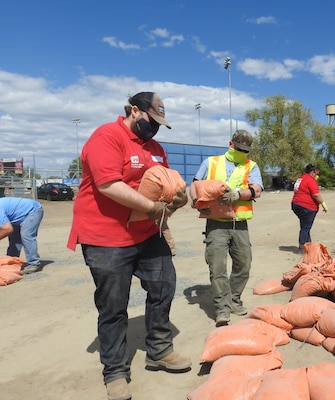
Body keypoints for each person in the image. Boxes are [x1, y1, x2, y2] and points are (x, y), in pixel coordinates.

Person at [67, 92, 190, 400]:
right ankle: (115, 371)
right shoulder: (106, 136)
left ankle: (159, 351)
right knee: (113, 306)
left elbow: (167, 182)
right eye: (152, 120)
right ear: (135, 111)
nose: (156, 128)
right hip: (106, 237)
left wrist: (179, 197)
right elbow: (108, 184)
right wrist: (151, 207)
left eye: (161, 123)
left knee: (164, 285)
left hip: (148, 233)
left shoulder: (156, 148)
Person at [189, 130, 263, 327]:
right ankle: (222, 308)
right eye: (238, 148)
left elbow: (257, 190)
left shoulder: (251, 166)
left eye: (245, 150)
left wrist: (237, 195)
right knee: (217, 267)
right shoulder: (211, 162)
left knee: (243, 265)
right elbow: (195, 184)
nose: (241, 152)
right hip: (216, 224)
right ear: (231, 143)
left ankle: (234, 299)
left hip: (239, 224)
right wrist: (195, 199)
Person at [0, 197, 44, 274]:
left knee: (26, 236)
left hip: (32, 210)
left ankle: (34, 263)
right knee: (14, 239)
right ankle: (12, 261)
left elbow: (7, 229)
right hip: (17, 215)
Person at [291, 164, 328, 250]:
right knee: (305, 227)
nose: (317, 175)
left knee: (305, 226)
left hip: (296, 204)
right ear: (312, 172)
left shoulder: (301, 178)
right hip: (307, 207)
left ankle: (309, 245)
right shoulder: (310, 180)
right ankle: (303, 247)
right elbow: (316, 194)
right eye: (316, 173)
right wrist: (323, 204)